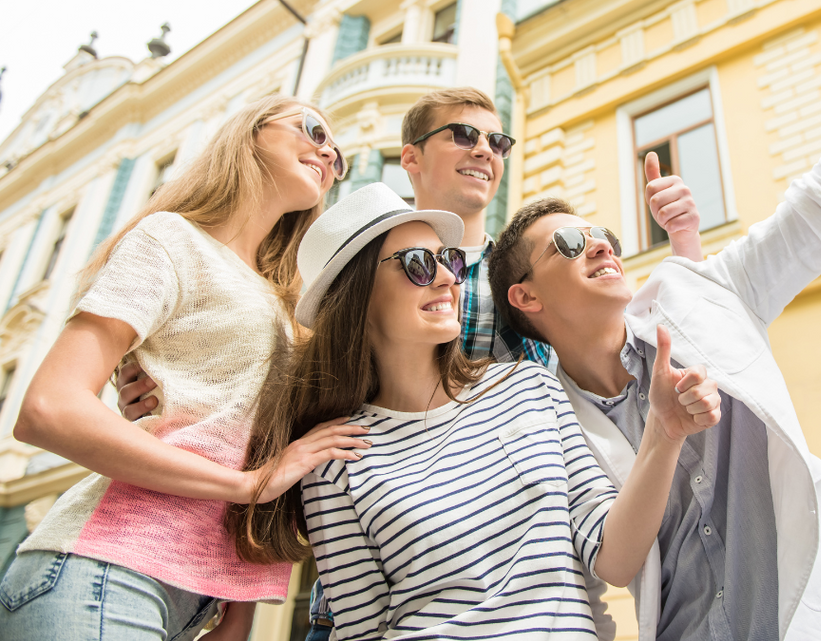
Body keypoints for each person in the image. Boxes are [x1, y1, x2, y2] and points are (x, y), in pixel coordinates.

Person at [488, 1, 821, 639]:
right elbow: (613, 560)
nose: (601, 245)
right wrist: (663, 431)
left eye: (600, 234)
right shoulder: (544, 417)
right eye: (569, 246)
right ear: (526, 298)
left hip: (820, 620)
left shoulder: (707, 295)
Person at [229, 182, 722, 640]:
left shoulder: (529, 388)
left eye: (450, 260)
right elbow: (361, 630)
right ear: (357, 296)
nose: (446, 277)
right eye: (418, 262)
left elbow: (614, 561)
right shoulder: (333, 460)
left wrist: (664, 433)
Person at [0, 96, 373, 641]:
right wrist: (249, 484)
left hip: (193, 603)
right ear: (250, 134)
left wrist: (238, 611)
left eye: (337, 157)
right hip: (106, 570)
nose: (327, 151)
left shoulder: (285, 302)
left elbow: (258, 439)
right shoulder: (170, 239)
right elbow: (48, 408)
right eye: (313, 129)